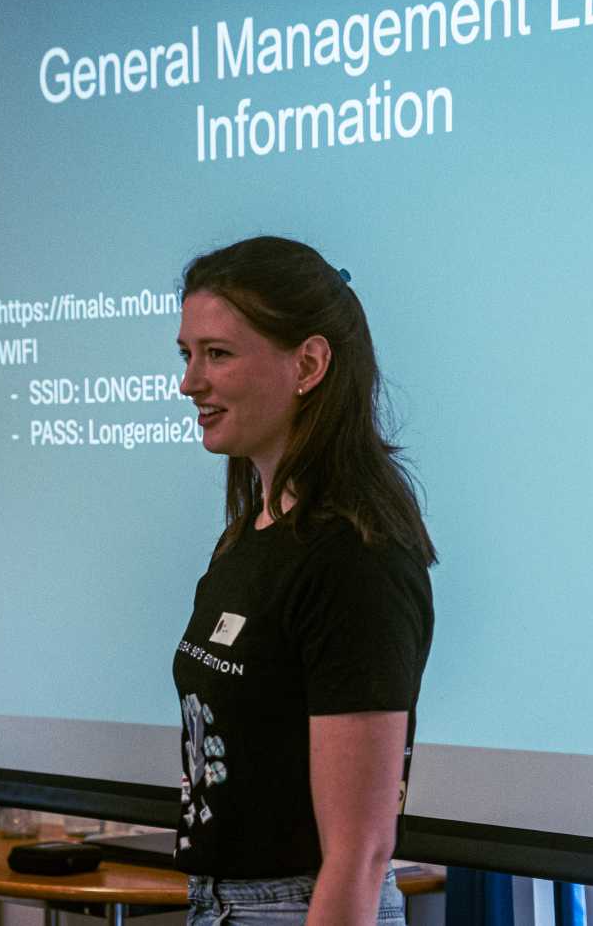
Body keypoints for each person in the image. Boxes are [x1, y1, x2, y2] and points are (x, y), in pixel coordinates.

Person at [172, 236, 437, 926]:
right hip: (220, 905)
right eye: (187, 354)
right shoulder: (248, 535)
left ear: (309, 364)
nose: (189, 383)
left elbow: (360, 852)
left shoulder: (355, 557)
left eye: (217, 353)